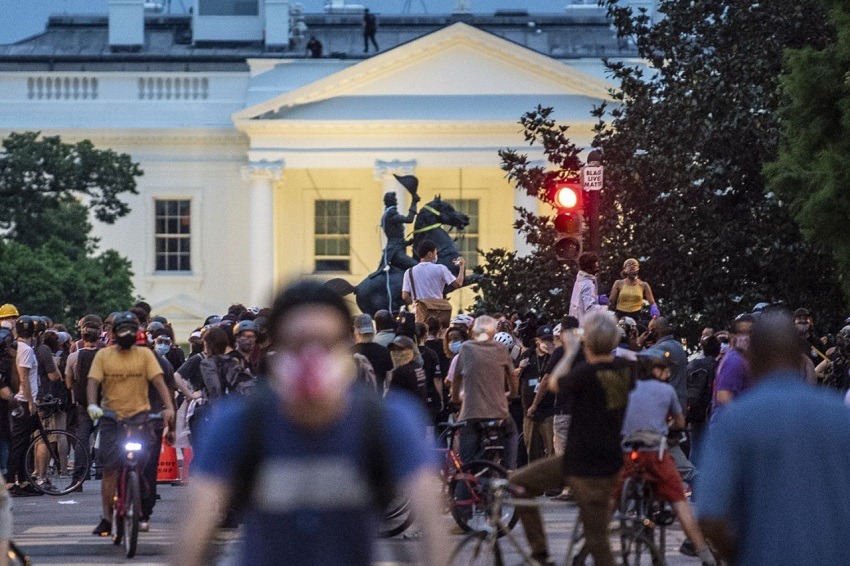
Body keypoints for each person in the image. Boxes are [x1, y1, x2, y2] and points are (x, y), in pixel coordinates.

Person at [173, 280, 446, 566]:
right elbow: (195, 525)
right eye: (297, 345)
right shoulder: (238, 422)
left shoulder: (387, 421)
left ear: (348, 346)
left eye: (326, 344)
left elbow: (431, 521)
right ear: (275, 349)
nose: (312, 358)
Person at [697, 310, 850, 565]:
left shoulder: (735, 422)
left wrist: (739, 554)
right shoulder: (840, 416)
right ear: (800, 359)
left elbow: (711, 515)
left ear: (753, 358)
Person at [511, 311, 633, 566]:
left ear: (587, 342)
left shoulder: (585, 374)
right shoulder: (625, 369)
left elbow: (554, 382)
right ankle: (542, 556)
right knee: (597, 540)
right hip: (604, 460)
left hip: (584, 464)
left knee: (519, 484)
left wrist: (570, 351)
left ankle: (540, 554)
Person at [619, 349, 716, 565]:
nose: (668, 374)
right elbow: (680, 423)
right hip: (654, 452)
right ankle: (704, 552)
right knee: (679, 499)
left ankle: (592, 538)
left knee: (612, 496)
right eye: (664, 370)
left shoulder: (625, 388)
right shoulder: (665, 390)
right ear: (655, 370)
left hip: (627, 451)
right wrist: (668, 426)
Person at [86, 312, 175, 537]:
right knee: (110, 468)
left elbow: (159, 382)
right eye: (122, 329)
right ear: (114, 333)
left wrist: (169, 407)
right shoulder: (103, 356)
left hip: (140, 416)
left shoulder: (145, 355)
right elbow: (92, 383)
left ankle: (139, 484)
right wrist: (92, 405)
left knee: (144, 457)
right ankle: (107, 517)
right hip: (110, 417)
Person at [451, 315, 519, 469]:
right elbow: (512, 376)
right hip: (499, 412)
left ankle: (467, 482)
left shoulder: (466, 348)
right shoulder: (501, 349)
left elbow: (456, 379)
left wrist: (456, 399)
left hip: (471, 413)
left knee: (467, 467)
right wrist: (512, 394)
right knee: (512, 433)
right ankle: (509, 470)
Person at [64, 315, 103, 488]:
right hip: (104, 402)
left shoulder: (73, 357)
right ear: (99, 335)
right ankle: (103, 470)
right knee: (105, 436)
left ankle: (79, 478)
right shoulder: (105, 355)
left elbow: (68, 382)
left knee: (81, 440)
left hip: (82, 403)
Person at [8, 316, 42, 496]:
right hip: (23, 400)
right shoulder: (26, 350)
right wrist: (30, 401)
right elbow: (24, 377)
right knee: (19, 444)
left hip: (19, 399)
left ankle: (22, 480)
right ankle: (10, 482)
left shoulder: (16, 346)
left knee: (23, 442)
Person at [518, 325, 555, 462]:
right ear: (537, 340)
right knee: (532, 451)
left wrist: (552, 353)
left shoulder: (555, 355)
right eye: (544, 340)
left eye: (550, 339)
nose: (547, 342)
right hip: (529, 412)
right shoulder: (528, 354)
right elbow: (515, 376)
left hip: (549, 411)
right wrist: (519, 368)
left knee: (552, 450)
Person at [710, 314, 755, 421]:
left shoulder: (746, 359)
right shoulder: (734, 361)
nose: (746, 337)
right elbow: (723, 396)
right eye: (742, 332)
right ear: (732, 336)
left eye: (750, 332)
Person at [685, 334, 720, 467]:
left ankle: (693, 478)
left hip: (694, 409)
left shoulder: (693, 364)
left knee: (695, 446)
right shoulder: (717, 366)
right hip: (709, 410)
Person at [401, 240, 465, 304]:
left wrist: (415, 305)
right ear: (430, 254)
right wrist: (462, 267)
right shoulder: (440, 268)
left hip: (419, 312)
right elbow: (458, 284)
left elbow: (405, 296)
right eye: (435, 253)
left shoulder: (409, 272)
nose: (436, 256)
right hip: (437, 310)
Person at [380, 187, 419, 272]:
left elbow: (395, 238)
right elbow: (409, 219)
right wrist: (414, 203)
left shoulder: (388, 215)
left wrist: (407, 242)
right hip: (396, 253)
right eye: (395, 200)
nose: (397, 202)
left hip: (397, 249)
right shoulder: (391, 215)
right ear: (391, 201)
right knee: (419, 267)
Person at [352, 313, 393, 392]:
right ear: (372, 330)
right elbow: (389, 381)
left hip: (355, 401)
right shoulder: (384, 352)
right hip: (379, 400)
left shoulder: (349, 353)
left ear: (356, 331)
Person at [568, 252, 603, 326]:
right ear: (589, 268)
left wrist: (596, 298)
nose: (597, 267)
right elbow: (590, 309)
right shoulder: (588, 284)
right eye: (595, 265)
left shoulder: (579, 281)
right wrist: (604, 308)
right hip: (584, 325)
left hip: (575, 323)